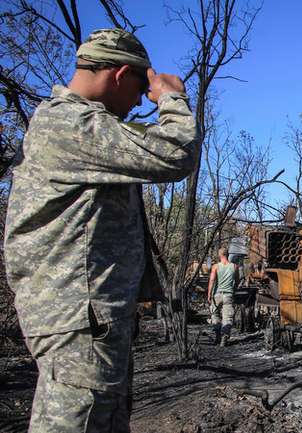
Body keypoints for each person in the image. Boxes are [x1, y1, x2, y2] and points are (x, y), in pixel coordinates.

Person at [4, 28, 200, 433]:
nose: (136, 102)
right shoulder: (70, 125)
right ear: (119, 74)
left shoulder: (74, 127)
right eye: (138, 88)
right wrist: (170, 98)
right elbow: (175, 152)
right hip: (79, 320)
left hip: (87, 318)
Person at [207, 247, 238, 346]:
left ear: (219, 255)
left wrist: (209, 294)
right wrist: (234, 289)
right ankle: (224, 336)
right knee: (227, 317)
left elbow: (212, 280)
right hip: (228, 295)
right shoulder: (234, 267)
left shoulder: (216, 266)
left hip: (217, 295)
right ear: (228, 254)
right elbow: (237, 281)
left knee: (214, 315)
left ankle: (217, 335)